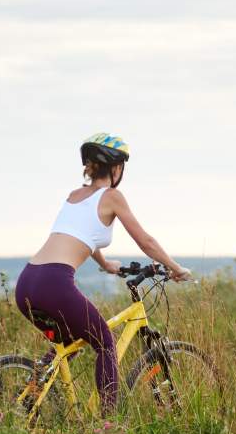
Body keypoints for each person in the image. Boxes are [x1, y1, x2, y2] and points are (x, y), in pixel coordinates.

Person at [15, 133, 191, 414]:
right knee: (105, 343)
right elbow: (144, 241)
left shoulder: (74, 196)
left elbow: (80, 232)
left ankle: (25, 402)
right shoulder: (112, 197)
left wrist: (106, 263)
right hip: (54, 283)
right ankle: (107, 426)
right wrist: (174, 266)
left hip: (27, 281)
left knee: (67, 342)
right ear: (117, 168)